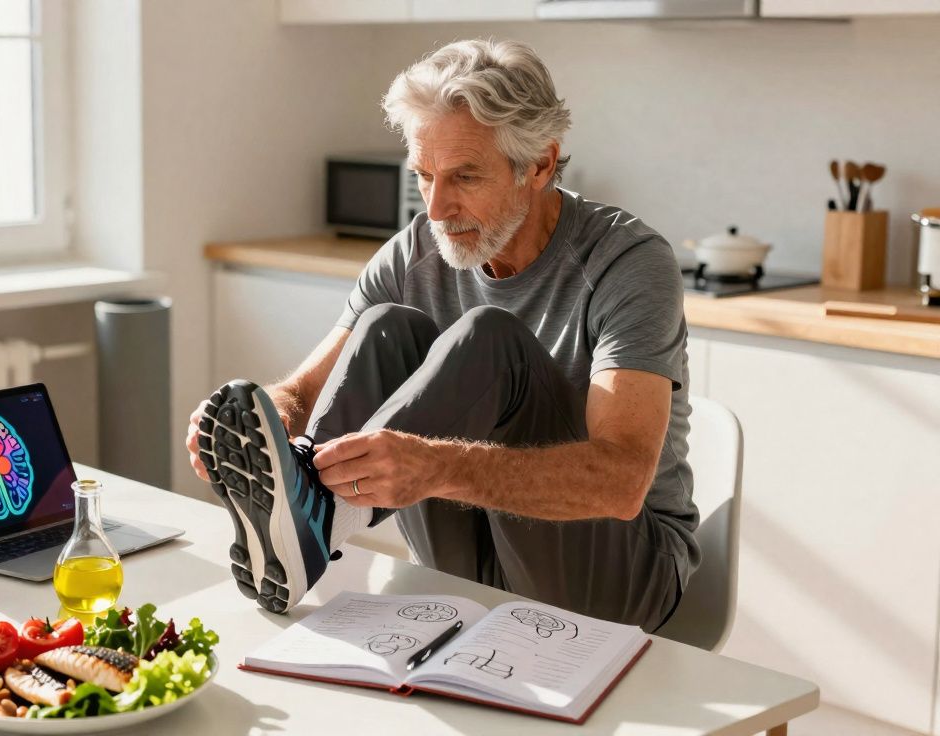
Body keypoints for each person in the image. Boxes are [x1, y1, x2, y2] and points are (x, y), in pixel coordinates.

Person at [186, 39, 697, 632]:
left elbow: (622, 483)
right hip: (471, 567)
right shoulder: (415, 254)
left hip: (621, 575)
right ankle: (311, 516)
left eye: (465, 176)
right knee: (389, 329)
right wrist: (262, 428)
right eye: (424, 176)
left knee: (490, 339)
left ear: (540, 164)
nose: (435, 208)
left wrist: (438, 466)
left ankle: (322, 520)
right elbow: (304, 392)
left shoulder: (627, 263)